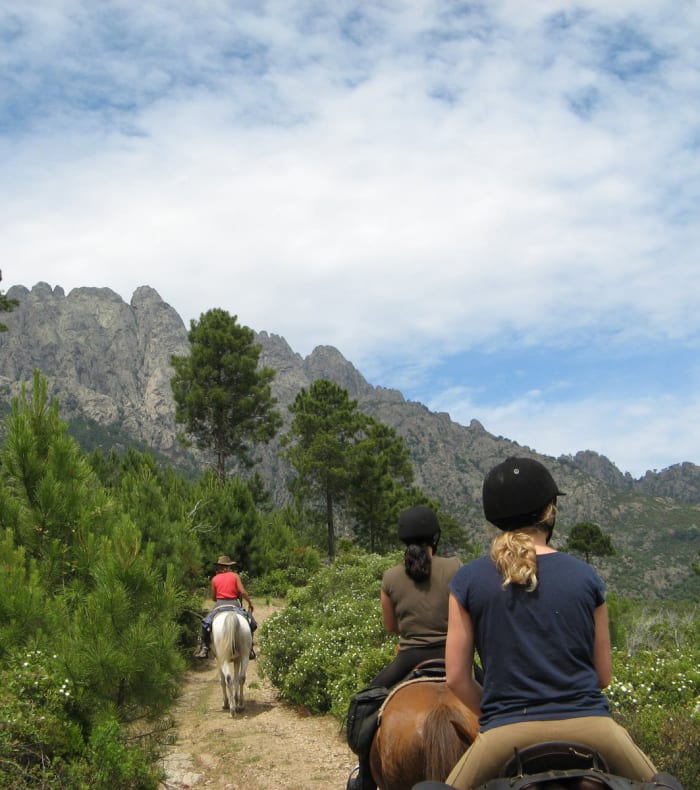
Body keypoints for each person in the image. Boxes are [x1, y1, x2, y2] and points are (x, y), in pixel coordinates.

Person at [444, 456, 657, 789]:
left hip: (505, 733)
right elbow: (602, 675)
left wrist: (498, 715)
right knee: (662, 784)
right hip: (594, 727)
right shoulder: (587, 576)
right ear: (550, 511)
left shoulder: (467, 580)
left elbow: (457, 678)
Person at [347, 505, 461, 790]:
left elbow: (391, 627)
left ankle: (364, 777)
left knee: (363, 705)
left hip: (408, 659)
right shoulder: (456, 567)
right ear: (435, 537)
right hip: (452, 656)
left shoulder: (390, 577)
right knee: (497, 702)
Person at [194, 555, 257, 660]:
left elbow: (213, 598)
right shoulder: (235, 576)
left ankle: (204, 648)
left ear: (220, 567)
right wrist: (250, 603)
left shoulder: (214, 579)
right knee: (251, 623)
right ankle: (249, 648)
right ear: (228, 567)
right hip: (235, 605)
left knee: (205, 623)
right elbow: (243, 592)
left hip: (219, 606)